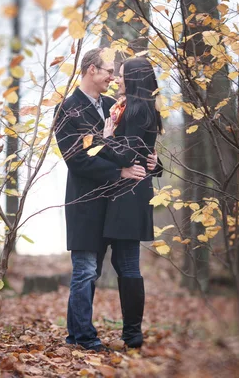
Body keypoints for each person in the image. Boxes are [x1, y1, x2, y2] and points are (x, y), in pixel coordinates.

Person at [54, 48, 150, 352]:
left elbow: (134, 146)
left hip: (115, 207)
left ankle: (76, 336)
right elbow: (76, 160)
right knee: (84, 271)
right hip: (84, 203)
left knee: (98, 271)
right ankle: (84, 337)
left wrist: (152, 162)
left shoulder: (113, 105)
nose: (113, 76)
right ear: (92, 70)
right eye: (109, 70)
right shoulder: (66, 110)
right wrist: (118, 172)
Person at [102, 57, 164, 349]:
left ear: (136, 78)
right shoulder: (138, 108)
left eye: (123, 75)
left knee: (127, 264)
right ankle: (132, 333)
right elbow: (145, 153)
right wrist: (156, 163)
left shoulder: (136, 110)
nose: (118, 79)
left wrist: (105, 138)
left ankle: (133, 334)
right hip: (131, 192)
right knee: (123, 262)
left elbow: (127, 154)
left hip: (130, 194)